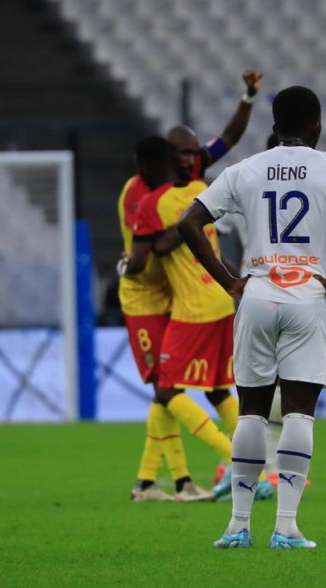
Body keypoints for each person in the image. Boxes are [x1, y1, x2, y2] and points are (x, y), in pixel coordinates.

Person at [178, 85, 326, 550]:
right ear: (317, 125)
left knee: (251, 413)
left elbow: (189, 222)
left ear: (273, 126)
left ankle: (236, 527)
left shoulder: (244, 169)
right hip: (310, 297)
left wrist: (231, 281)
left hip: (256, 296)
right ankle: (286, 527)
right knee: (299, 413)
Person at [123, 138, 238, 494]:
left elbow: (144, 258)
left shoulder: (149, 202)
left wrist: (123, 265)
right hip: (221, 298)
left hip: (180, 307)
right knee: (219, 389)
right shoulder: (204, 190)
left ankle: (240, 461)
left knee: (167, 388)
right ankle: (159, 482)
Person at [117, 137, 207, 502]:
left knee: (167, 391)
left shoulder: (174, 185)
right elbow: (140, 257)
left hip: (171, 295)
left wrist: (248, 99)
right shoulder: (137, 194)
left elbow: (224, 144)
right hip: (142, 301)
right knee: (166, 389)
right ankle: (186, 479)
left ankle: (149, 483)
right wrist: (125, 267)